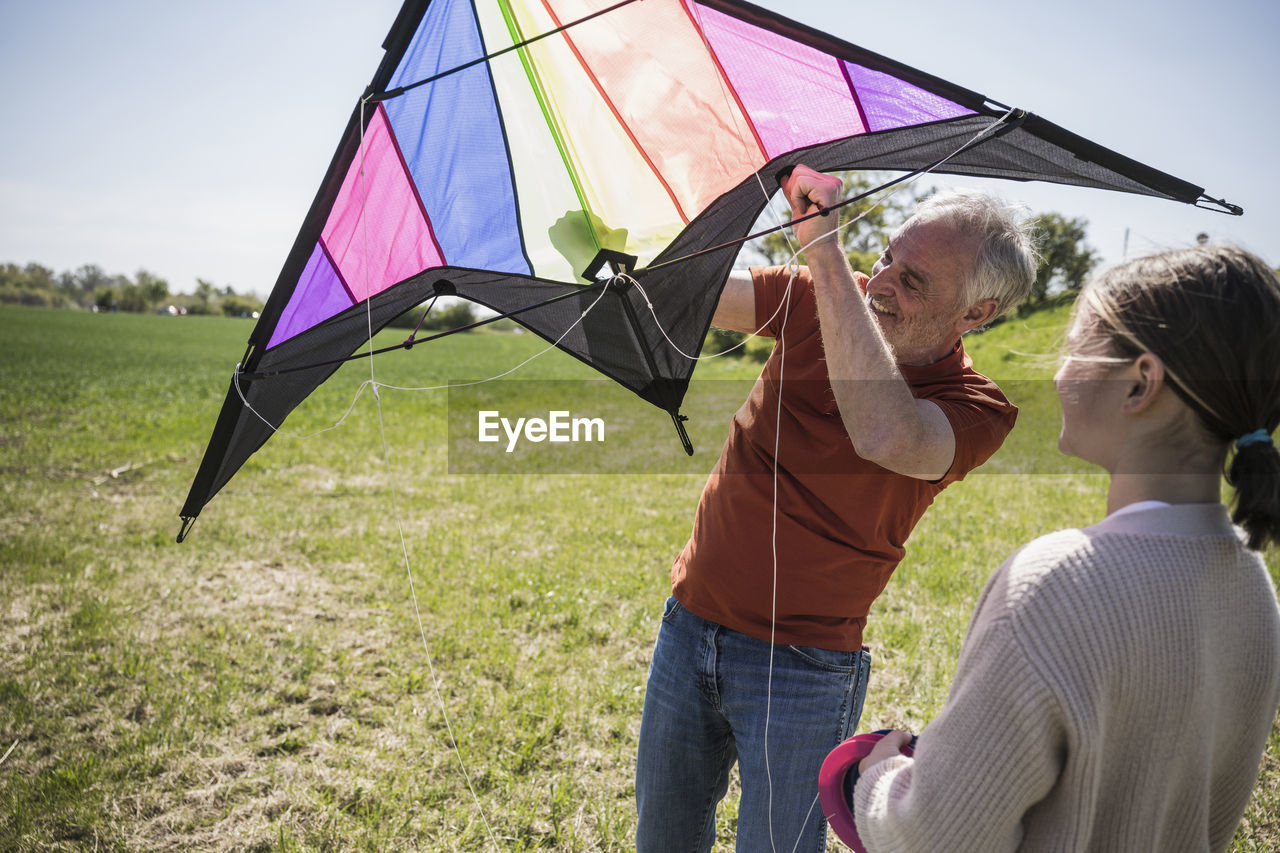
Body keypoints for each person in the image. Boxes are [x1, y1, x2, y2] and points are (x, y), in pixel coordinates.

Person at [634, 165, 1038, 852]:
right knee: (663, 839)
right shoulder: (820, 296)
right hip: (689, 623)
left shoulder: (980, 407)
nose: (878, 282)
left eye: (913, 281)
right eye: (886, 257)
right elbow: (679, 296)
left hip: (803, 669)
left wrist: (822, 248)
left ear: (977, 312)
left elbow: (888, 433)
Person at [851, 245, 1280, 851]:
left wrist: (875, 781)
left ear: (1140, 384)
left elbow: (933, 836)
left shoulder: (1056, 580)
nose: (1058, 374)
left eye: (1077, 351)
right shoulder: (1255, 586)